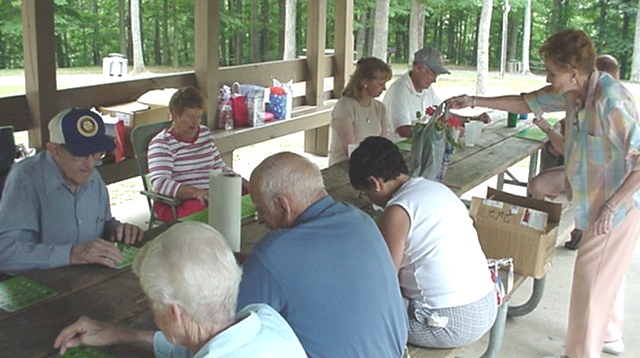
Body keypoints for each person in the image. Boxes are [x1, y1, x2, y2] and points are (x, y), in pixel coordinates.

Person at [446, 30, 640, 358]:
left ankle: (580, 353)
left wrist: (612, 205)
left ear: (573, 73)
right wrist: (474, 101)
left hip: (617, 205)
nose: (548, 78)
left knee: (590, 280)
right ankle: (609, 335)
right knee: (607, 271)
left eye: (552, 72)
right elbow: (527, 101)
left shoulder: (611, 99)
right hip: (593, 199)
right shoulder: (573, 93)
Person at [239, 152, 409, 358]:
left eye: (261, 210)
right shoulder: (362, 221)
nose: (260, 220)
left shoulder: (274, 253)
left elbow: (233, 328)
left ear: (283, 206)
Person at [54, 222, 306, 358]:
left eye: (150, 302)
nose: (150, 308)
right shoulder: (265, 319)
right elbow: (196, 344)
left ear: (175, 312)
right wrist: (120, 335)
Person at [349, 136, 497, 348]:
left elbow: (385, 279)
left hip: (451, 322)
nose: (367, 198)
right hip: (486, 303)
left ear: (375, 183)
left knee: (360, 314)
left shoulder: (398, 210)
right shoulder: (435, 188)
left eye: (365, 192)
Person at [0, 108, 143, 274]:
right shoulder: (25, 180)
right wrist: (71, 254)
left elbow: (104, 222)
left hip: (87, 276)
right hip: (41, 281)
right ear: (55, 151)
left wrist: (117, 229)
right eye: (80, 155)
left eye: (97, 153)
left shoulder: (91, 175)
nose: (91, 164)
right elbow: (5, 254)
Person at [529, 54, 620, 250]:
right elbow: (560, 125)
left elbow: (565, 149)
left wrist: (548, 129)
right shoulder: (578, 97)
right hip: (577, 173)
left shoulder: (611, 105)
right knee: (538, 184)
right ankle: (547, 229)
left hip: (600, 186)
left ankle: (575, 229)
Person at [148, 86, 247, 222]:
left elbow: (221, 167)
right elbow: (160, 184)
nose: (195, 123)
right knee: (212, 208)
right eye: (190, 117)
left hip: (209, 195)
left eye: (198, 117)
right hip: (178, 202)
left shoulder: (204, 133)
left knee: (248, 194)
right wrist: (196, 193)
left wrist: (241, 182)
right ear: (175, 116)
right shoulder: (162, 144)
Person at [383, 46, 488, 140]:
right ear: (418, 68)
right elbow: (403, 130)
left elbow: (442, 116)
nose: (434, 80)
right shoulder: (399, 90)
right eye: (432, 74)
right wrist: (443, 131)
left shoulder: (427, 89)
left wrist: (472, 120)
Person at [328, 57, 393, 165]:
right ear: (364, 82)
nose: (384, 88)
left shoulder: (379, 108)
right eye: (380, 84)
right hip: (345, 166)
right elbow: (350, 150)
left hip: (373, 164)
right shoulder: (345, 106)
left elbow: (384, 142)